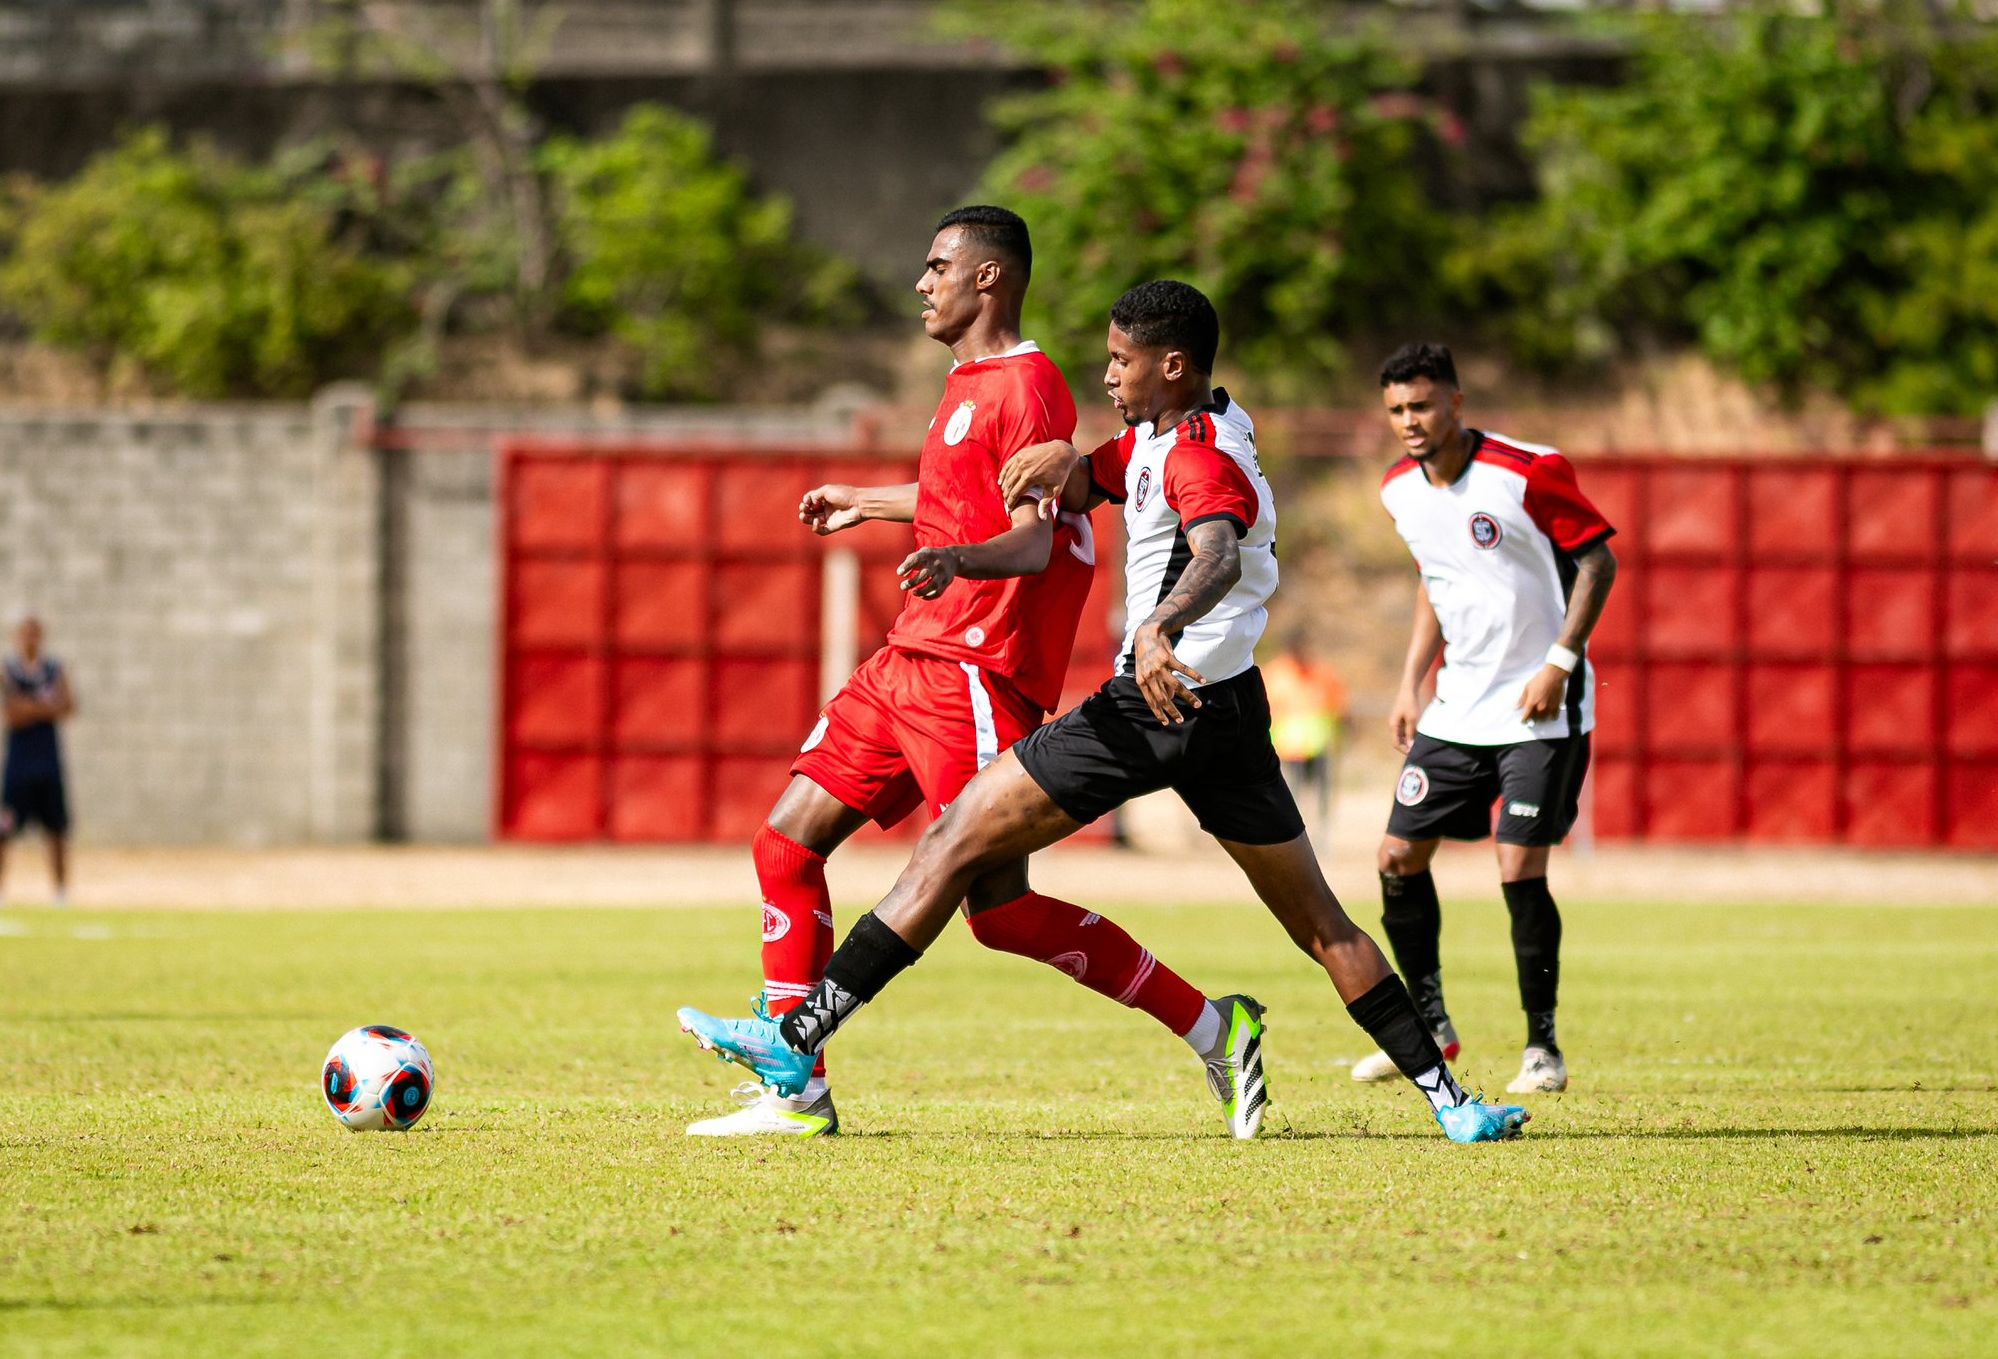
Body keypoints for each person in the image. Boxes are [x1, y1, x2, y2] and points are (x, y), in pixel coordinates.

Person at [678, 282, 1531, 1144]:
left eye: (1122, 360)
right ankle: (1452, 1105)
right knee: (1320, 923)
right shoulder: (1179, 431)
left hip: (1149, 705)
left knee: (952, 843)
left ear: (1172, 365)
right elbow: (1102, 479)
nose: (1108, 372)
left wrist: (1159, 625)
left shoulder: (1199, 456)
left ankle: (796, 1040)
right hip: (1227, 708)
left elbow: (1219, 551)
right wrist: (1066, 467)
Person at [685, 210, 1263, 1139]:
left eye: (936, 265)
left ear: (988, 278)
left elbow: (1033, 540)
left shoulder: (1029, 387)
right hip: (907, 656)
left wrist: (959, 561)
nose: (922, 282)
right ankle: (795, 1088)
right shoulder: (967, 384)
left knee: (997, 911)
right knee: (784, 845)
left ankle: (1212, 1027)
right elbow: (961, 496)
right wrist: (866, 501)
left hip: (974, 669)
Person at [1351, 343, 1618, 1097]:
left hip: (1541, 709)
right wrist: (1409, 682)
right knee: (1397, 856)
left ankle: (1542, 1046)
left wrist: (1558, 664)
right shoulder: (1398, 489)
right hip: (1456, 708)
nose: (1410, 420)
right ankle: (1433, 1026)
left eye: (1423, 405)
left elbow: (1598, 562)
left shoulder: (1527, 470)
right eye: (1398, 409)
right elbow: (1434, 582)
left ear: (1456, 404)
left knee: (1516, 865)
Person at [0, 616, 75, 908]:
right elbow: (10, 713)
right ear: (17, 637)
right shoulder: (7, 671)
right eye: (25, 634)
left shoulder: (54, 669)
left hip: (48, 765)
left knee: (57, 831)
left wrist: (30, 707)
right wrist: (44, 706)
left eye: (35, 635)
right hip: (18, 767)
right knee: (2, 829)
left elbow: (67, 706)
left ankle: (60, 893)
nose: (30, 640)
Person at [1261, 643, 1347, 845]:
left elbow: (1337, 705)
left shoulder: (1321, 673)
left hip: (1318, 744)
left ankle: (1321, 835)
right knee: (1291, 793)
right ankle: (1293, 836)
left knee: (1321, 793)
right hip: (1288, 748)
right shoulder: (1275, 674)